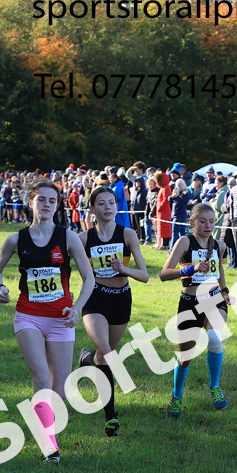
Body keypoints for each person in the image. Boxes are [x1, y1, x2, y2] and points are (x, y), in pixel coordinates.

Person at [0, 179, 95, 464]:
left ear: (57, 206)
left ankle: (49, 434)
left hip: (61, 320)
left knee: (58, 391)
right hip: (28, 316)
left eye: (52, 201)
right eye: (41, 200)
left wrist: (77, 308)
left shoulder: (68, 237)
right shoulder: (15, 239)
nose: (47, 205)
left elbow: (89, 278)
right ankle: (50, 448)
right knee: (41, 380)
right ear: (31, 202)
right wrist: (1, 287)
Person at [78, 187, 149, 436]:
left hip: (121, 299)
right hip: (95, 300)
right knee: (106, 353)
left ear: (116, 207)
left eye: (112, 202)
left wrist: (123, 269)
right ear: (93, 209)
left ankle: (86, 359)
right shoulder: (83, 239)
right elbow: (60, 262)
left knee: (105, 355)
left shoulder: (127, 234)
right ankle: (110, 416)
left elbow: (145, 275)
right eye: (102, 203)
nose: (108, 207)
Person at [160, 203, 231, 417]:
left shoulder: (219, 245)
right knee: (185, 357)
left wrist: (225, 290)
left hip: (213, 300)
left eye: (211, 221)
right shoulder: (184, 242)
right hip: (189, 303)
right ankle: (177, 395)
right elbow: (164, 274)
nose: (208, 225)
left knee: (215, 339)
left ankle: (215, 387)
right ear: (192, 223)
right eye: (203, 221)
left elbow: (219, 270)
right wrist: (191, 268)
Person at [170, 179, 190, 249]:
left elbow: (180, 201)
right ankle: (178, 249)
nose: (179, 187)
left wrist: (175, 196)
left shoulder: (185, 193)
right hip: (175, 215)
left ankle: (173, 250)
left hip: (180, 215)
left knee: (178, 234)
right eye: (177, 185)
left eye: (180, 185)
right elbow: (169, 199)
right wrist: (173, 195)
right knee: (177, 234)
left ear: (183, 185)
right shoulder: (176, 192)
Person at [154, 171, 172, 250]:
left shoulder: (166, 188)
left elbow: (166, 199)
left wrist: (160, 207)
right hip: (161, 211)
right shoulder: (163, 188)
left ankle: (165, 245)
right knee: (161, 228)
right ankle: (162, 244)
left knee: (165, 228)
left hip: (164, 211)